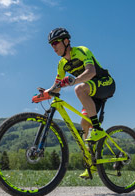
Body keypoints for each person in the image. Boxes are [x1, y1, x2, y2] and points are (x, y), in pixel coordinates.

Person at [46, 28, 116, 179]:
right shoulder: (62, 64)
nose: (54, 47)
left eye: (56, 42)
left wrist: (74, 81)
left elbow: (90, 72)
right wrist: (43, 94)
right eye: (51, 44)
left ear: (66, 41)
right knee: (84, 123)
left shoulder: (82, 51)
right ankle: (92, 164)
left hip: (105, 83)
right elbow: (56, 87)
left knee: (79, 88)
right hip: (90, 93)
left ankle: (97, 128)